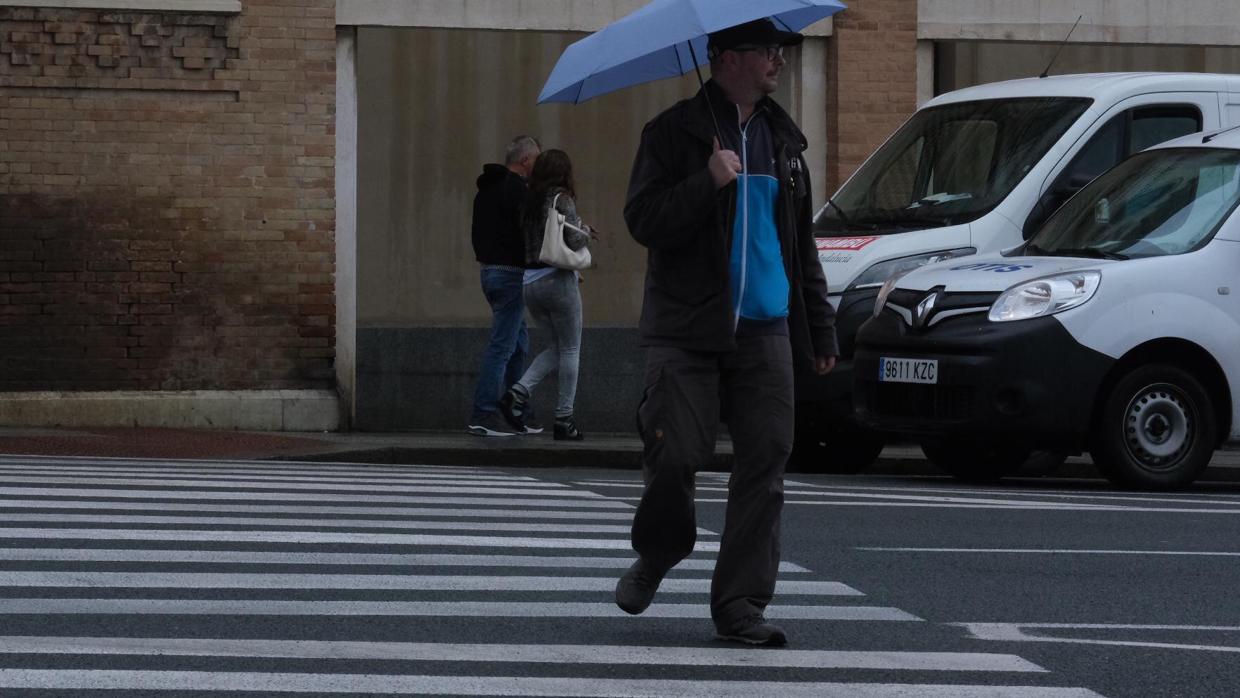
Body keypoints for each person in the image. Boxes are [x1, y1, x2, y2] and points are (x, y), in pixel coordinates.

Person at [614, 19, 839, 647]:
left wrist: (819, 331)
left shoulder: (783, 142)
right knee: (675, 455)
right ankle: (659, 553)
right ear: (728, 59)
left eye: (780, 52)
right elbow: (643, 221)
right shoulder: (670, 134)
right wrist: (705, 181)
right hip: (686, 329)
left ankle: (740, 605)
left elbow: (800, 247)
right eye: (768, 53)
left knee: (765, 463)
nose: (779, 62)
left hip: (765, 329)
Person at [498, 149, 593, 442]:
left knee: (556, 348)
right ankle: (564, 419)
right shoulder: (561, 199)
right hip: (557, 280)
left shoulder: (528, 200)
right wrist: (587, 230)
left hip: (530, 281)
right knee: (571, 349)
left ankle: (517, 393)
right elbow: (574, 239)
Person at [467, 135, 542, 437]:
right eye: (537, 158)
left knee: (518, 343)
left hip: (490, 273)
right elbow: (530, 233)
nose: (539, 163)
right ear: (525, 161)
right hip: (511, 274)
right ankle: (484, 413)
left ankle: (517, 409)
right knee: (502, 346)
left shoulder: (486, 191)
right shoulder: (518, 192)